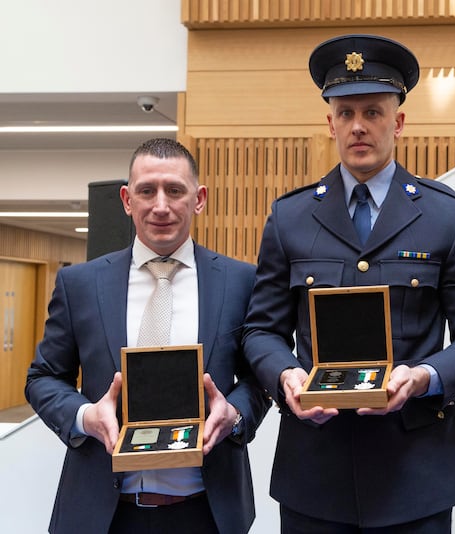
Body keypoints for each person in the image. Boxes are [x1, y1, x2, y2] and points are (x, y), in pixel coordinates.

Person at [243, 34, 455, 532]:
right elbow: (260, 331)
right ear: (331, 123)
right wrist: (285, 377)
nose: (358, 126)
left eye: (373, 112)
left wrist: (426, 376)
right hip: (314, 472)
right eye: (345, 113)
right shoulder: (290, 217)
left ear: (398, 122)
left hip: (415, 473)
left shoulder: (446, 217)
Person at [26, 137, 271, 534]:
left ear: (199, 198)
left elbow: (259, 379)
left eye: (175, 190)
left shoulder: (241, 282)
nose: (161, 206)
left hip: (208, 512)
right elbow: (42, 378)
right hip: (102, 514)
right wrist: (87, 416)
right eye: (146, 191)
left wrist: (235, 415)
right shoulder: (80, 284)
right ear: (126, 199)